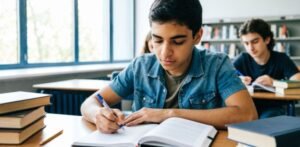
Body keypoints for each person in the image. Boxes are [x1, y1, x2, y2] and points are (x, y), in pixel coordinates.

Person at [81, 0, 257, 134]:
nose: (165, 53)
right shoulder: (140, 66)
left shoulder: (217, 65)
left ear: (197, 36)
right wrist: (98, 114)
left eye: (178, 41)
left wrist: (169, 114)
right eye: (157, 40)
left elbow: (247, 115)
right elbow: (90, 102)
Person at [233, 18, 300, 118]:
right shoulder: (242, 59)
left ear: (267, 39)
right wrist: (238, 80)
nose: (250, 48)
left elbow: (297, 81)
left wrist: (274, 82)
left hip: (273, 108)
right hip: (247, 106)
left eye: (255, 41)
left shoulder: (281, 59)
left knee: (266, 120)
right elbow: (225, 78)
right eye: (246, 43)